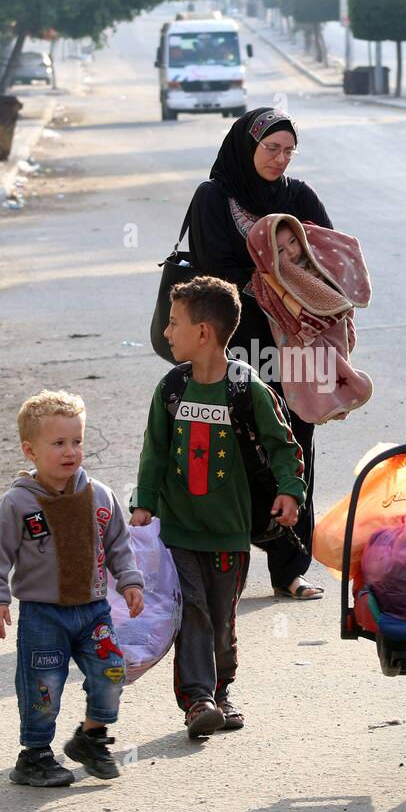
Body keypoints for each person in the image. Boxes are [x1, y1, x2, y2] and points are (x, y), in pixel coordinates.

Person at [131, 276, 305, 739]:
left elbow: (285, 446)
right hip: (180, 530)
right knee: (193, 612)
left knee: (223, 617)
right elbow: (155, 451)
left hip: (230, 533)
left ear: (203, 332)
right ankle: (198, 701)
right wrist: (144, 504)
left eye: (173, 323)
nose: (166, 333)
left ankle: (221, 691)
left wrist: (290, 491)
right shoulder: (170, 389)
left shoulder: (246, 390)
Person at [185, 107, 331, 599]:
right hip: (236, 345)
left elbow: (327, 258)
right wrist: (272, 285)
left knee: (295, 444)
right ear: (246, 146)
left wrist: (301, 295)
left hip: (296, 345)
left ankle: (290, 568)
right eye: (272, 148)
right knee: (235, 447)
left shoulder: (299, 196)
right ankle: (228, 561)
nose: (280, 159)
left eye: (289, 150)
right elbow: (214, 271)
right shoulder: (213, 198)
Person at [0, 391, 145, 787]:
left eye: (77, 441)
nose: (70, 451)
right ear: (30, 450)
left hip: (93, 611)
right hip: (42, 615)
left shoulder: (99, 495)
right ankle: (34, 755)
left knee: (112, 670)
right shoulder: (18, 503)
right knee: (43, 686)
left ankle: (91, 737)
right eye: (58, 443)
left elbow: (119, 543)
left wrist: (130, 580)